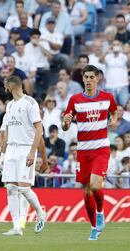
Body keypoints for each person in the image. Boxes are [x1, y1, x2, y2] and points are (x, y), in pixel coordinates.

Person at [62, 65, 118, 241]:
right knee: (86, 191)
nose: (87, 80)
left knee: (95, 185)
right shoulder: (75, 100)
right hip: (83, 151)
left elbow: (114, 112)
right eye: (85, 77)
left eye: (91, 77)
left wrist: (114, 121)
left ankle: (101, 212)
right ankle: (94, 227)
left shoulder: (107, 97)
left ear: (97, 78)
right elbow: (65, 125)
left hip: (101, 148)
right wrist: (65, 122)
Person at [0, 75, 46, 236]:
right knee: (10, 188)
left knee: (23, 188)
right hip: (12, 148)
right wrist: (4, 149)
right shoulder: (10, 105)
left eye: (6, 85)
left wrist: (33, 152)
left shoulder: (30, 103)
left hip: (25, 148)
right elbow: (9, 128)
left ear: (12, 86)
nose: (5, 88)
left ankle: (40, 213)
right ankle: (16, 226)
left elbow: (39, 129)